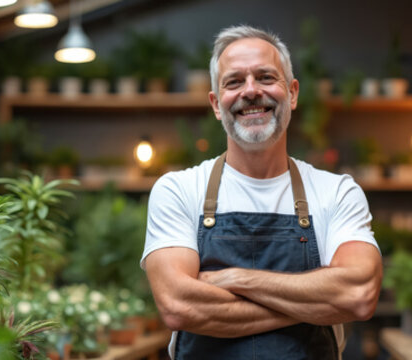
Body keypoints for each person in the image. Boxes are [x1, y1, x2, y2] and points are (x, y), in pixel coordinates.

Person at [140, 25, 383, 359]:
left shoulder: (336, 192)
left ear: (293, 93)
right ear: (215, 104)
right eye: (234, 81)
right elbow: (179, 306)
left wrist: (234, 279)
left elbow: (358, 293)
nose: (251, 91)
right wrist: (313, 306)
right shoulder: (178, 190)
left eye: (266, 77)